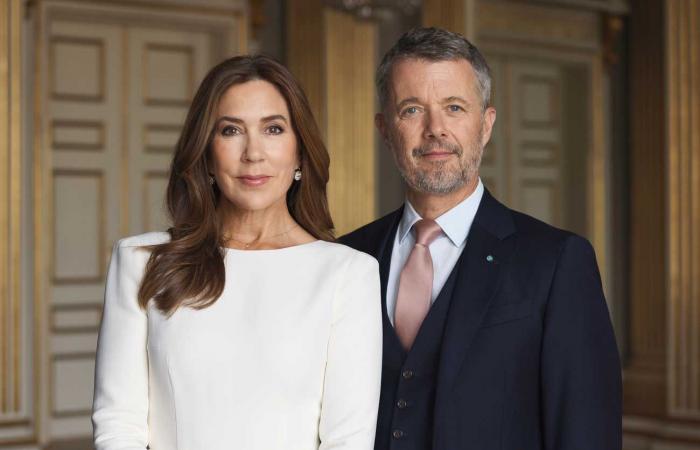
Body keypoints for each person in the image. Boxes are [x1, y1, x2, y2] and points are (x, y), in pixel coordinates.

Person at [340, 27, 621, 450]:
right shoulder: (348, 256)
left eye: (454, 107)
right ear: (385, 128)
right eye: (412, 110)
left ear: (486, 125)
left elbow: (585, 434)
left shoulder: (556, 261)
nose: (436, 129)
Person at [92, 55, 382, 450]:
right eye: (231, 131)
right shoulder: (143, 261)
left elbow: (347, 440)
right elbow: (118, 425)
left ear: (299, 152)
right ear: (207, 153)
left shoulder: (348, 273)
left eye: (274, 129)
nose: (253, 153)